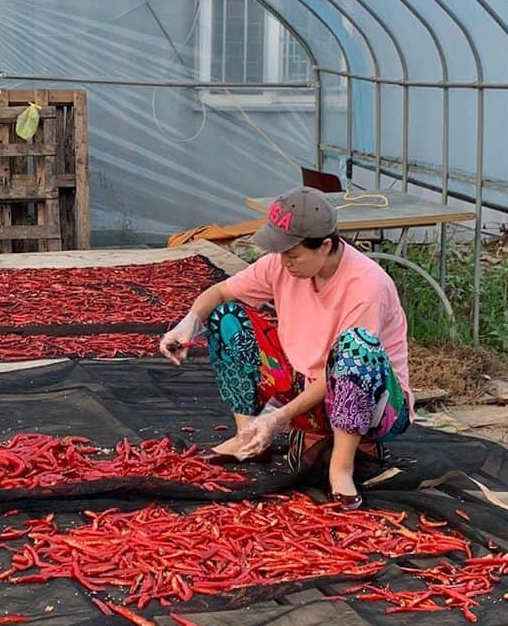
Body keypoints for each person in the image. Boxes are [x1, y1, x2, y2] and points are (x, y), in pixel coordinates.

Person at [159, 186, 411, 510]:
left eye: (292, 254)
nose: (284, 262)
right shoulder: (281, 266)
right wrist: (188, 325)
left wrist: (279, 418)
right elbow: (220, 293)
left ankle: (341, 468)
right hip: (305, 381)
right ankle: (248, 437)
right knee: (226, 317)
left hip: (375, 403)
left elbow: (342, 372)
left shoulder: (366, 286)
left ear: (325, 246)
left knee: (355, 348)